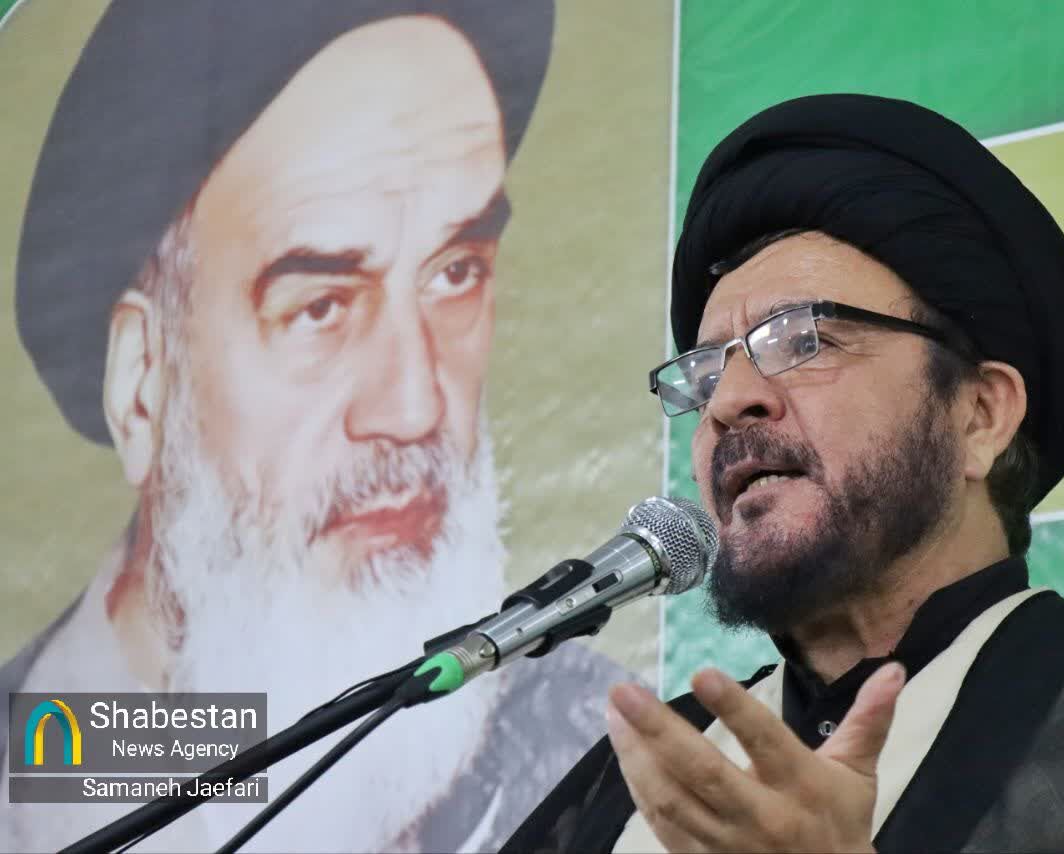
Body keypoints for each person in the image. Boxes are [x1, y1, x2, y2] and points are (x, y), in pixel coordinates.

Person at [502, 94, 1064, 853]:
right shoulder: (644, 777)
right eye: (706, 372)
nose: (730, 402)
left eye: (802, 340)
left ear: (980, 415)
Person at [0, 2, 624, 852]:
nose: (415, 405)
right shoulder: (38, 773)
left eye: (454, 273)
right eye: (320, 307)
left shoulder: (603, 753)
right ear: (143, 383)